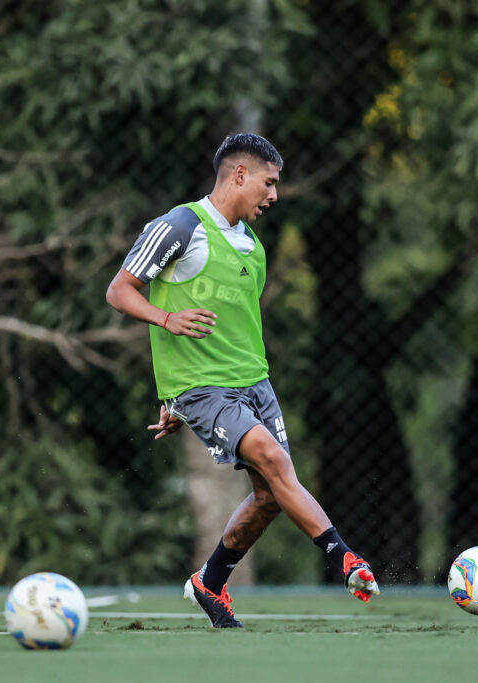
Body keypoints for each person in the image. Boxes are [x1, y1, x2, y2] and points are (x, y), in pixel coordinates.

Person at [106, 133, 379, 629]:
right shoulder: (179, 226)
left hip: (254, 384)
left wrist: (175, 399)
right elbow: (120, 290)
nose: (274, 195)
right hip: (204, 388)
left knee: (271, 495)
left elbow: (237, 329)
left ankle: (210, 582)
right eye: (269, 183)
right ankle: (346, 558)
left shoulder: (251, 244)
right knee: (276, 462)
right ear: (239, 175)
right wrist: (171, 351)